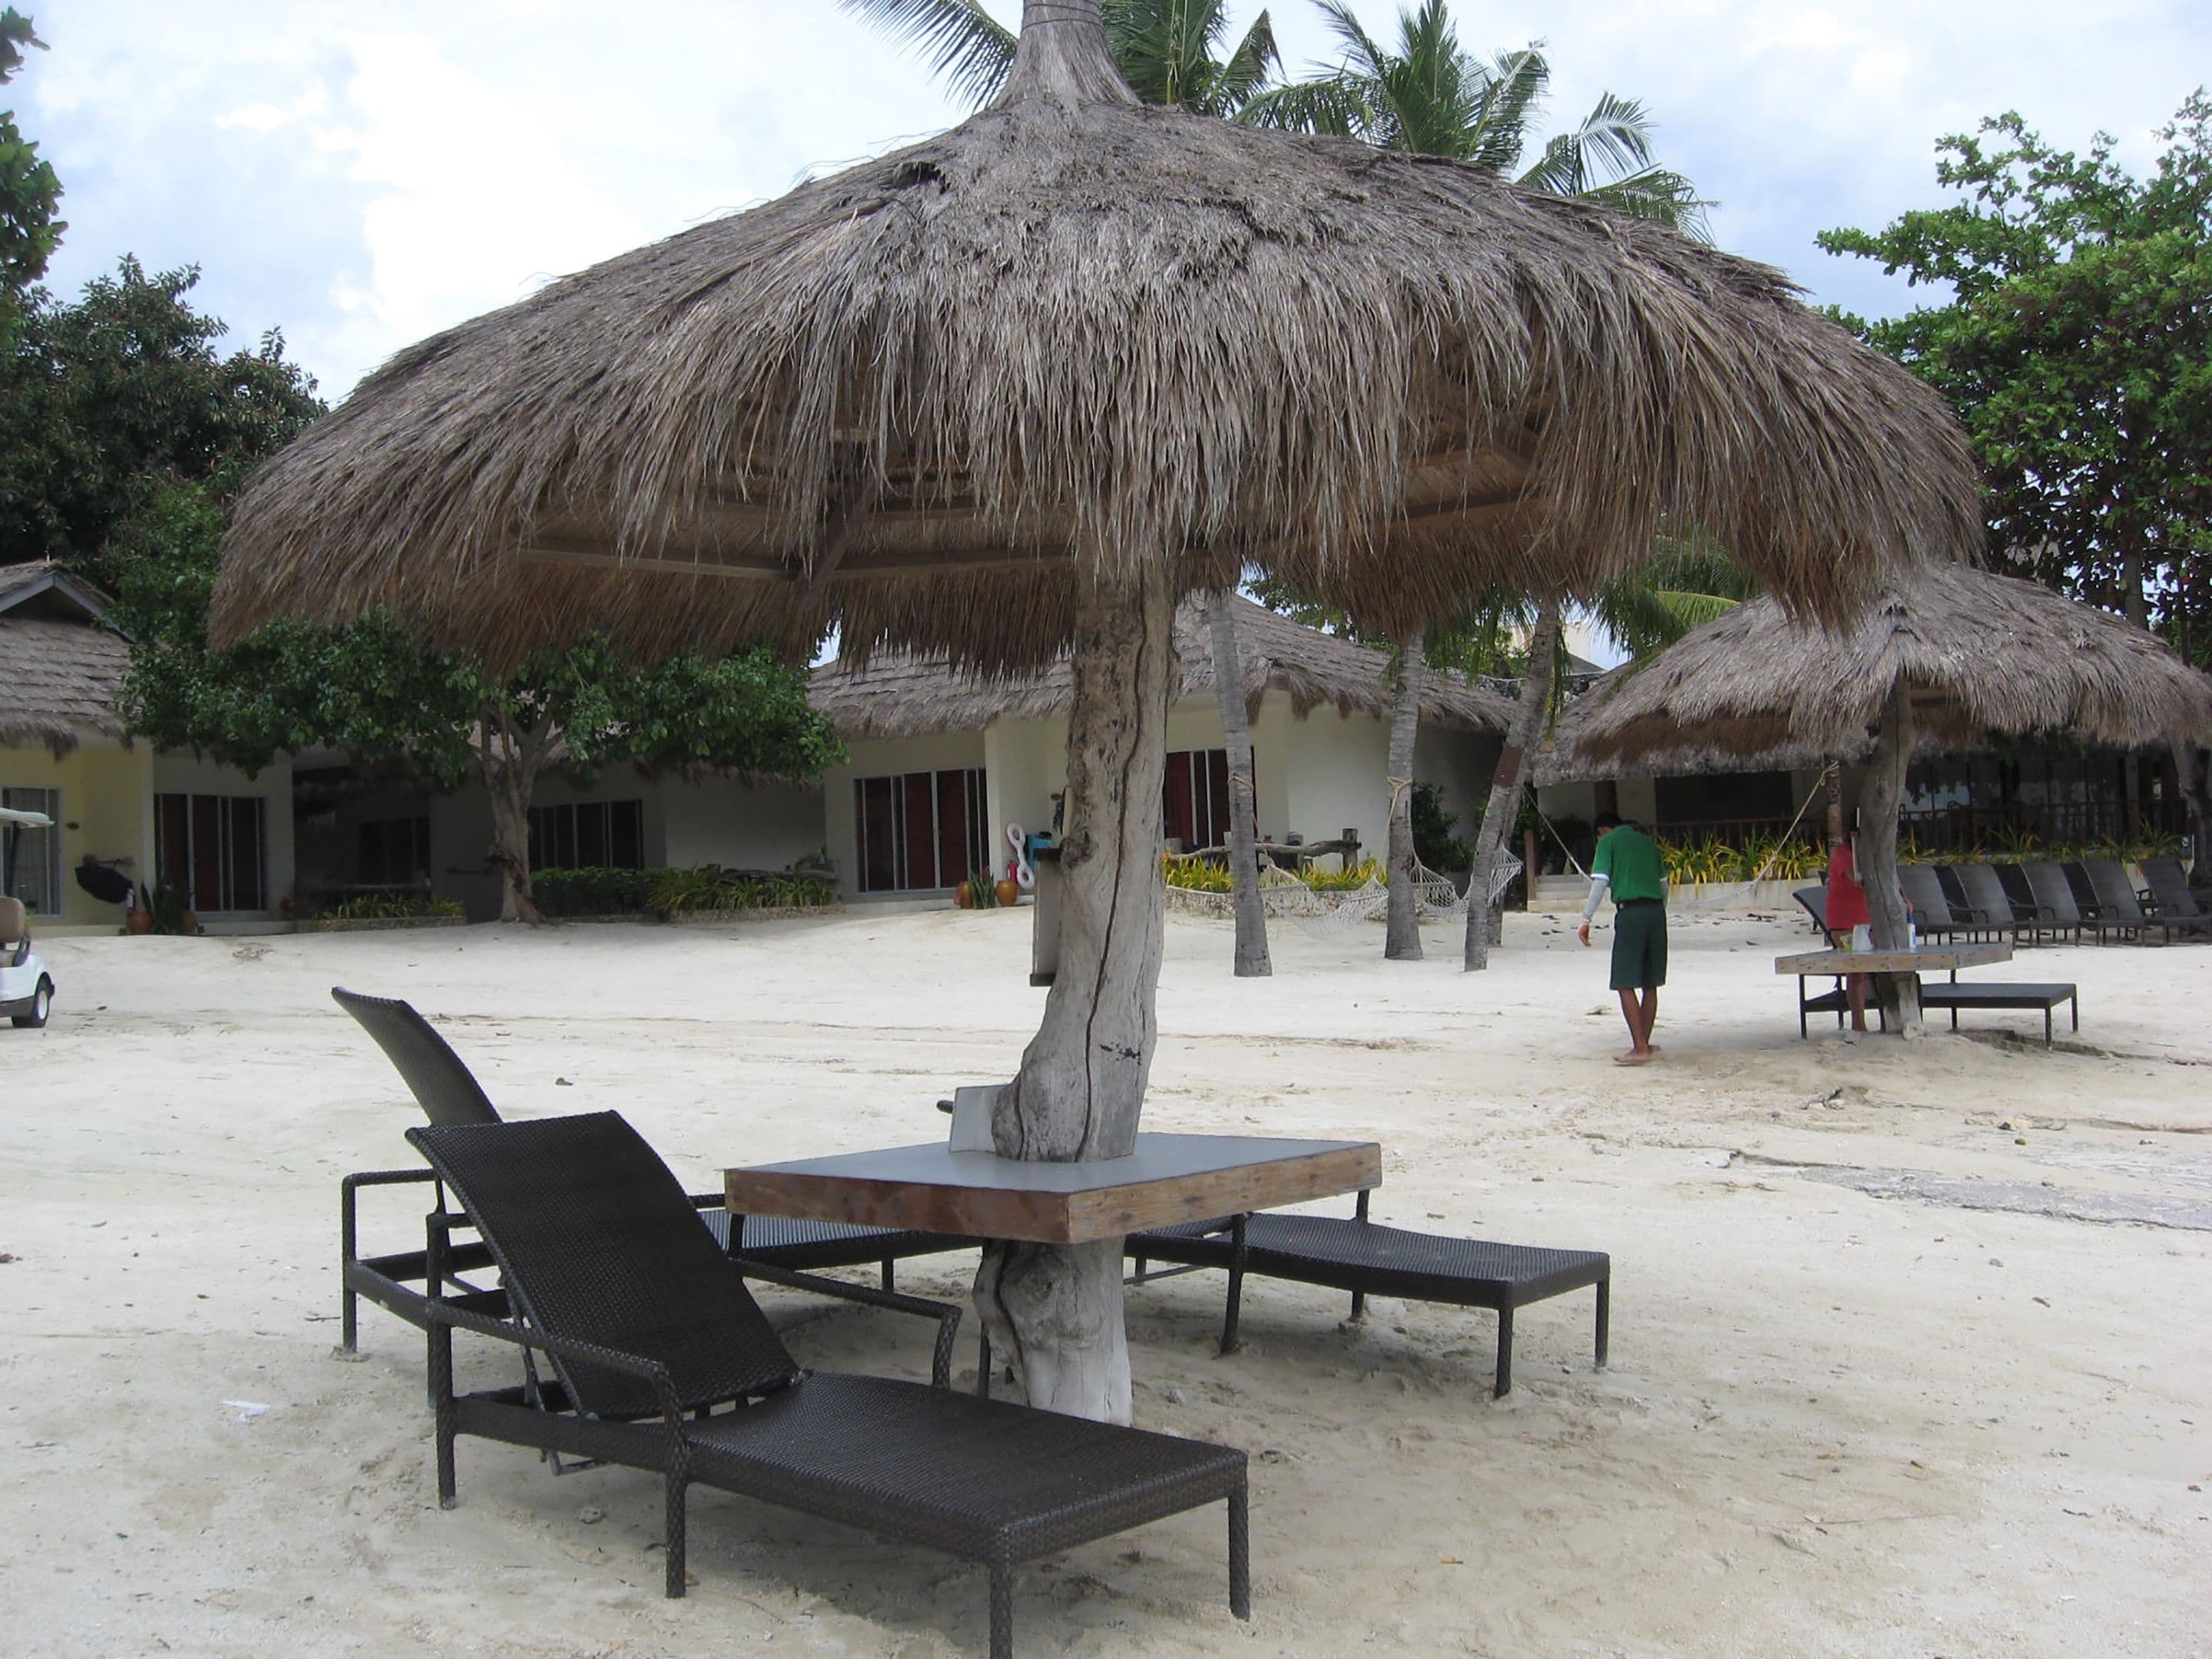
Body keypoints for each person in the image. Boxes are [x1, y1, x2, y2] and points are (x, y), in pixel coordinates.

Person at [1576, 812, 1667, 1065]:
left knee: (1624, 982)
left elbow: (1600, 882)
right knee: (1650, 982)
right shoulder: (1648, 843)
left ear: (1603, 830)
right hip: (1656, 913)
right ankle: (1644, 1042)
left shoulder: (1608, 842)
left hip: (1631, 913)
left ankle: (1639, 1048)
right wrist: (1658, 911)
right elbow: (1663, 884)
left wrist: (1586, 919)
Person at [1826, 827, 1873, 1033]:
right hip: (1845, 921)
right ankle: (1858, 1023)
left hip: (1870, 919)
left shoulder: (1874, 855)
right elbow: (1858, 879)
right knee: (1856, 971)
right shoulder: (1843, 854)